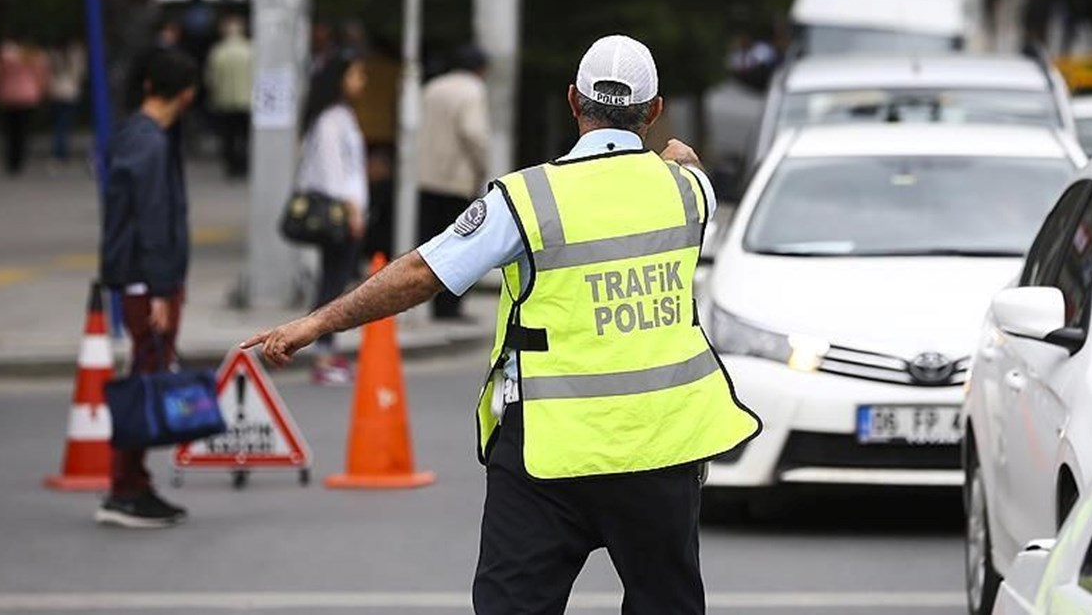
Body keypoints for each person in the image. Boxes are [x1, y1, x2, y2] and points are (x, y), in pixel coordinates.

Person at [243, 35, 761, 614]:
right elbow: (686, 165)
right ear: (655, 110)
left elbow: (422, 272)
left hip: (547, 453)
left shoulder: (527, 199)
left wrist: (316, 322)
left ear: (573, 101)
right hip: (662, 448)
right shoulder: (689, 192)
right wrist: (677, 157)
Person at [98, 49, 199, 528]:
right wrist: (162, 289)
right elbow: (154, 222)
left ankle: (133, 483)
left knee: (146, 373)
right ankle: (125, 489)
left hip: (139, 279)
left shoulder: (133, 134)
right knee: (144, 380)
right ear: (187, 93)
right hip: (147, 282)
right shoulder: (152, 144)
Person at [294, 49, 370, 386]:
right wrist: (352, 210)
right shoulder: (330, 119)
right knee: (332, 282)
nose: (361, 81)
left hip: (347, 210)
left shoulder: (342, 115)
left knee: (335, 279)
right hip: (339, 212)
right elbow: (333, 172)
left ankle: (327, 348)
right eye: (356, 74)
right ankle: (322, 352)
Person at [416, 44, 491, 320]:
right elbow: (473, 132)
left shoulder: (433, 87)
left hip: (427, 176)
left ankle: (433, 303)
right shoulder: (473, 91)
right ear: (481, 69)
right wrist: (482, 167)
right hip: (457, 179)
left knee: (431, 243)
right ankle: (450, 308)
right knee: (460, 245)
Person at [0, 34, 47, 176]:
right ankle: (20, 160)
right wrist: (41, 91)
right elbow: (41, 75)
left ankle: (11, 160)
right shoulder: (33, 55)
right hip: (27, 95)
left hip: (7, 95)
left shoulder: (3, 53)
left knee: (10, 131)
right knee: (23, 131)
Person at [206, 16, 253, 179]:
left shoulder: (218, 52)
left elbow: (212, 79)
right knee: (245, 136)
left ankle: (232, 165)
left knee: (229, 136)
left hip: (225, 100)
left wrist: (214, 96)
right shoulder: (250, 50)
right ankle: (244, 164)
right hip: (247, 100)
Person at [46, 36, 86, 170]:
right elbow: (80, 72)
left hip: (56, 91)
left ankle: (58, 153)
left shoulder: (53, 54)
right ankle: (63, 152)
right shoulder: (75, 54)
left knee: (58, 124)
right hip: (70, 92)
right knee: (65, 124)